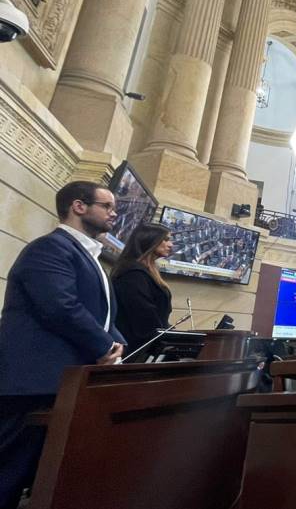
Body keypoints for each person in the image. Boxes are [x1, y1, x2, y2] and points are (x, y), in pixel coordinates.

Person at [0, 181, 126, 509]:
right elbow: (60, 306)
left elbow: (103, 315)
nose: (114, 213)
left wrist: (119, 345)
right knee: (6, 471)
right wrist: (103, 347)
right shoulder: (49, 248)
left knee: (31, 474)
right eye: (107, 206)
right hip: (31, 383)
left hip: (61, 382)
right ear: (78, 206)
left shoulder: (90, 257)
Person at [112, 223, 173, 355]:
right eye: (166, 239)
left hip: (148, 347)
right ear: (150, 239)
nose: (170, 245)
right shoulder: (133, 274)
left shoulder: (146, 271)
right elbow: (145, 321)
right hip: (136, 352)